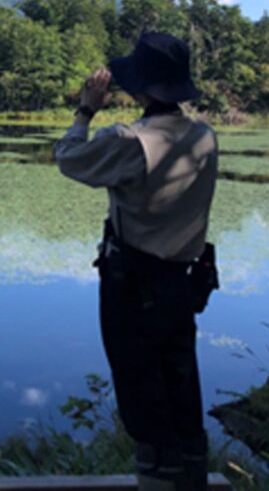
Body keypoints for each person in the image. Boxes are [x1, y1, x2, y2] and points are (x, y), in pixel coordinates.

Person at [54, 32, 218, 491]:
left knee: (143, 402)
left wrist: (86, 110)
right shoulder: (205, 137)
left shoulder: (129, 140)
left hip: (133, 289)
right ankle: (192, 480)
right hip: (183, 285)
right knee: (182, 392)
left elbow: (68, 158)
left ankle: (157, 481)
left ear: (142, 86)